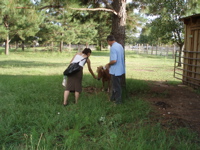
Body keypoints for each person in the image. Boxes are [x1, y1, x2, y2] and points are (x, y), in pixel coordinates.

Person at [105, 35, 125, 104]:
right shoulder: (120, 46)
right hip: (120, 69)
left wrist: (108, 64)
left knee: (116, 87)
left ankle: (118, 102)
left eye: (107, 42)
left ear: (109, 41)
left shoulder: (113, 47)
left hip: (115, 70)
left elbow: (114, 60)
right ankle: (112, 98)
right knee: (115, 85)